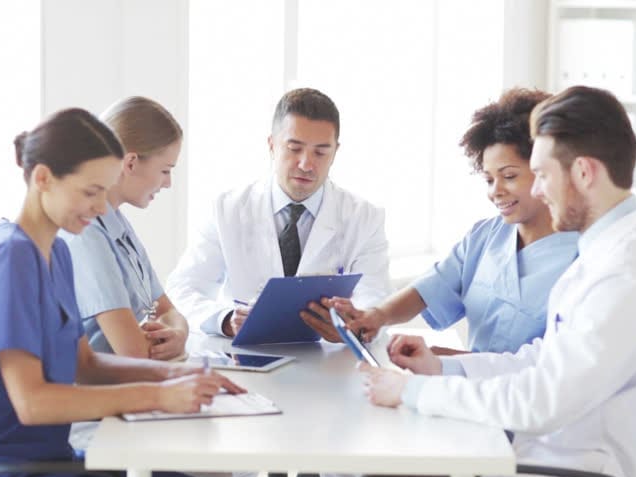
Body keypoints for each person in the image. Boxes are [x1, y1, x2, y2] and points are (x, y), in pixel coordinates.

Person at [362, 86, 636, 477]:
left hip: (571, 469)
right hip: (541, 453)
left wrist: (412, 392)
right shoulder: (606, 252)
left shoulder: (629, 273)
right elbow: (541, 361)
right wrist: (440, 368)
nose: (536, 190)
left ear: (584, 172)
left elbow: (541, 400)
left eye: (540, 175)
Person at [0, 108, 243, 477]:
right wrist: (160, 396)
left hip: (53, 458)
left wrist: (179, 377)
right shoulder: (9, 257)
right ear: (43, 178)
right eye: (91, 192)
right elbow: (32, 403)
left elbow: (88, 365)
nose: (100, 208)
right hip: (7, 471)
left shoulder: (56, 253)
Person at [331, 88, 578, 355]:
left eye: (509, 176)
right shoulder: (486, 236)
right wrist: (376, 316)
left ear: (545, 170)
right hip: (469, 391)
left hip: (528, 393)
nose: (495, 191)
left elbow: (557, 364)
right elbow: (431, 287)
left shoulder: (582, 255)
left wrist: (451, 362)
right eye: (488, 179)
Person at [166, 88, 390, 341]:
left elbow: (375, 297)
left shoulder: (365, 218)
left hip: (329, 362)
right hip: (244, 357)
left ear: (335, 152)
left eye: (320, 152)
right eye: (294, 148)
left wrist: (353, 320)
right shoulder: (227, 210)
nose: (306, 164)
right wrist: (227, 319)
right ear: (272, 145)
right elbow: (182, 289)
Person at [61, 96, 188, 359]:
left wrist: (177, 335)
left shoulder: (116, 221)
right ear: (130, 163)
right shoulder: (87, 233)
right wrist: (164, 341)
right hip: (100, 387)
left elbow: (167, 309)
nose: (168, 184)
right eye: (165, 170)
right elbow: (133, 352)